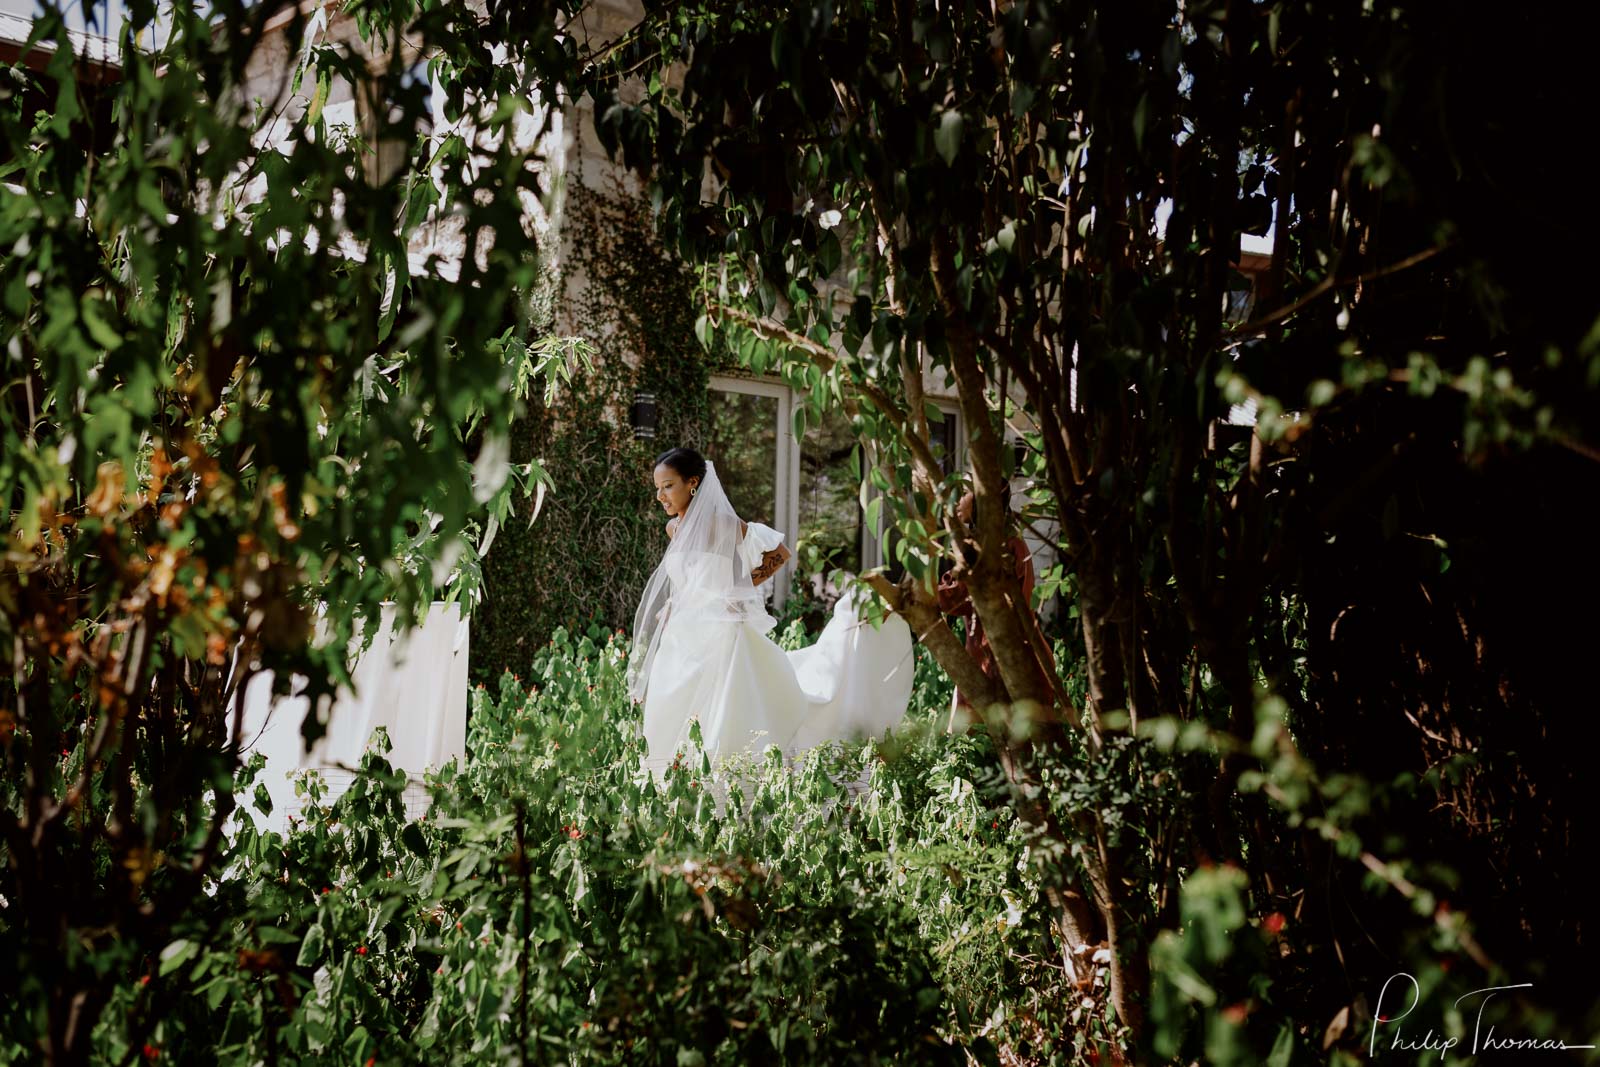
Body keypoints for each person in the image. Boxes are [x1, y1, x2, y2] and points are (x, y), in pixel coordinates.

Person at [629, 447, 914, 775]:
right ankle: (676, 776)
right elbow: (689, 578)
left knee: (726, 711)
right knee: (674, 707)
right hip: (683, 636)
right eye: (657, 488)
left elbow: (778, 553)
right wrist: (673, 603)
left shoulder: (721, 523)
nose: (660, 495)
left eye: (668, 486)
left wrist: (740, 588)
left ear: (692, 483)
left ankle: (729, 777)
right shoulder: (673, 529)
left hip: (720, 632)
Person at [936, 484, 1055, 726]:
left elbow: (955, 597)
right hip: (994, 656)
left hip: (999, 661)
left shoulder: (1001, 548)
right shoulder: (1004, 542)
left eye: (965, 491)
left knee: (988, 744)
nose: (957, 501)